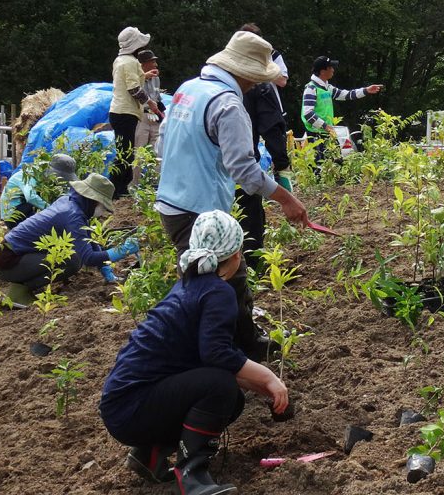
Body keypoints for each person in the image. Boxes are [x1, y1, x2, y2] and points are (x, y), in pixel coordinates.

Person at [100, 210, 288, 494]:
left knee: (229, 395)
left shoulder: (189, 286)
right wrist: (270, 377)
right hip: (134, 407)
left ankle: (149, 455)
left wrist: (263, 386)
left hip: (122, 406)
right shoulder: (218, 292)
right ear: (237, 255)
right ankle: (192, 477)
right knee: (220, 388)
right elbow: (217, 355)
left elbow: (207, 359)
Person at [156, 30, 310, 361]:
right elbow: (244, 169)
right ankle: (216, 355)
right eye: (255, 78)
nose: (256, 85)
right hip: (199, 209)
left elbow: (160, 145)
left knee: (221, 279)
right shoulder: (228, 105)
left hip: (170, 204)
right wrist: (286, 198)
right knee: (215, 282)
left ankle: (242, 344)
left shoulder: (187, 90)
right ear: (245, 73)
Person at [0, 173, 138, 300]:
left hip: (9, 254)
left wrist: (105, 269)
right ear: (94, 201)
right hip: (8, 261)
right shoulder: (72, 215)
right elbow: (88, 258)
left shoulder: (70, 202)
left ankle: (25, 282)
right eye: (103, 208)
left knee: (72, 256)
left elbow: (88, 238)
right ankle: (21, 290)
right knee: (73, 260)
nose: (103, 212)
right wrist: (122, 250)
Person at [234, 23, 293, 273]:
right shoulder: (259, 84)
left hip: (200, 175)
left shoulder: (205, 82)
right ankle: (253, 268)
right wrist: (282, 168)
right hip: (241, 165)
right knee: (250, 217)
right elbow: (272, 128)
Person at [301, 56, 382, 163]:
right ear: (322, 71)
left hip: (327, 132)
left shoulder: (327, 87)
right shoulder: (311, 88)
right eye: (330, 67)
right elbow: (308, 113)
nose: (333, 70)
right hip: (316, 134)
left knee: (336, 163)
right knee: (319, 166)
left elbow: (346, 95)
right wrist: (326, 126)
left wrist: (366, 90)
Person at [110, 26, 159, 199]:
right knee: (125, 154)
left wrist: (144, 75)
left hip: (119, 111)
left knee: (125, 152)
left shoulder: (120, 60)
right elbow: (133, 88)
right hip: (125, 113)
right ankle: (116, 190)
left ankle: (120, 189)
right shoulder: (130, 62)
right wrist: (150, 102)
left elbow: (126, 81)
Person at [0, 154, 77, 229]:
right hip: (13, 214)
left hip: (25, 209)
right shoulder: (28, 174)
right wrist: (52, 209)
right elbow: (31, 197)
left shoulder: (42, 176)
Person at [131, 49, 165, 187]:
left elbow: (157, 96)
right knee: (139, 150)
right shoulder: (136, 76)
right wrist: (144, 76)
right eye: (152, 61)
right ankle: (134, 184)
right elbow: (133, 89)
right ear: (143, 64)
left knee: (157, 150)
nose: (155, 64)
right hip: (142, 116)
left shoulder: (156, 78)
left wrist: (161, 111)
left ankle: (155, 184)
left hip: (155, 117)